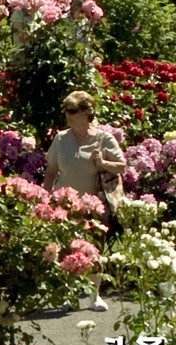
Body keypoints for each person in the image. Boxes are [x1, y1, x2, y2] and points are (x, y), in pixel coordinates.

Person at [43, 90, 125, 312]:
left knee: (93, 250)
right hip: (65, 204)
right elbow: (51, 171)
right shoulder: (61, 139)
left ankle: (94, 295)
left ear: (86, 113)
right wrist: (44, 198)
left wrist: (103, 163)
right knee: (66, 250)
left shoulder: (103, 139)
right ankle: (68, 294)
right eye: (65, 110)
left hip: (93, 205)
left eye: (72, 111)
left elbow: (121, 166)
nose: (67, 115)